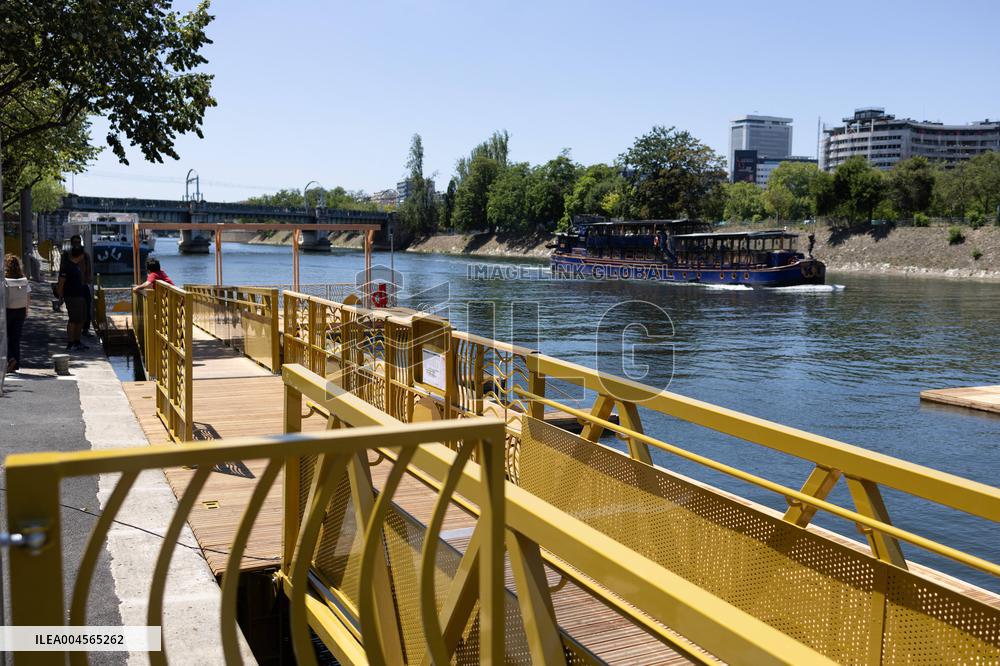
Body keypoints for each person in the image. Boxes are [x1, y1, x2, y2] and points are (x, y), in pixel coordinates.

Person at [57, 246, 89, 351]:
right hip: (72, 297)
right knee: (73, 320)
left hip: (79, 296)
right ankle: (70, 343)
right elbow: (61, 284)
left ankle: (77, 341)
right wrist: (60, 297)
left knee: (81, 319)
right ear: (80, 255)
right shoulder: (67, 266)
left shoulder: (77, 266)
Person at [4, 254, 30, 373]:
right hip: (20, 310)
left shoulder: (4, 279)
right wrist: (26, 310)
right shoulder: (23, 279)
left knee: (5, 337)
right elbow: (28, 296)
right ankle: (15, 364)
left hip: (8, 310)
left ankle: (10, 359)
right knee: (16, 338)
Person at [65, 235, 93, 336]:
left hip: (83, 286)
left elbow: (88, 271)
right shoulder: (67, 255)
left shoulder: (85, 256)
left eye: (78, 242)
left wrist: (87, 281)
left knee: (87, 307)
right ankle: (74, 338)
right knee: (74, 314)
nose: (76, 244)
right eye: (75, 242)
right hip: (71, 287)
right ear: (72, 243)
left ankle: (86, 329)